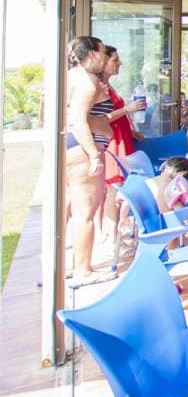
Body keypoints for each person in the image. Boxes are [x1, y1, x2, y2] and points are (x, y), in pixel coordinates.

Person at [64, 35, 114, 284]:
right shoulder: (87, 81)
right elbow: (76, 119)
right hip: (83, 151)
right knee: (85, 212)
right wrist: (93, 154)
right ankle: (83, 270)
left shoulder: (69, 77)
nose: (104, 58)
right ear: (92, 54)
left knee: (69, 209)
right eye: (103, 53)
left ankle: (62, 264)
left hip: (70, 149)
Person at [97, 45, 146, 248]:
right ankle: (112, 238)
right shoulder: (98, 87)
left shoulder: (107, 86)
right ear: (104, 62)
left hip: (123, 138)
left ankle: (114, 235)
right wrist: (128, 109)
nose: (119, 63)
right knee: (114, 188)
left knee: (118, 187)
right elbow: (101, 118)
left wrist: (131, 130)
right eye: (115, 60)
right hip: (113, 141)